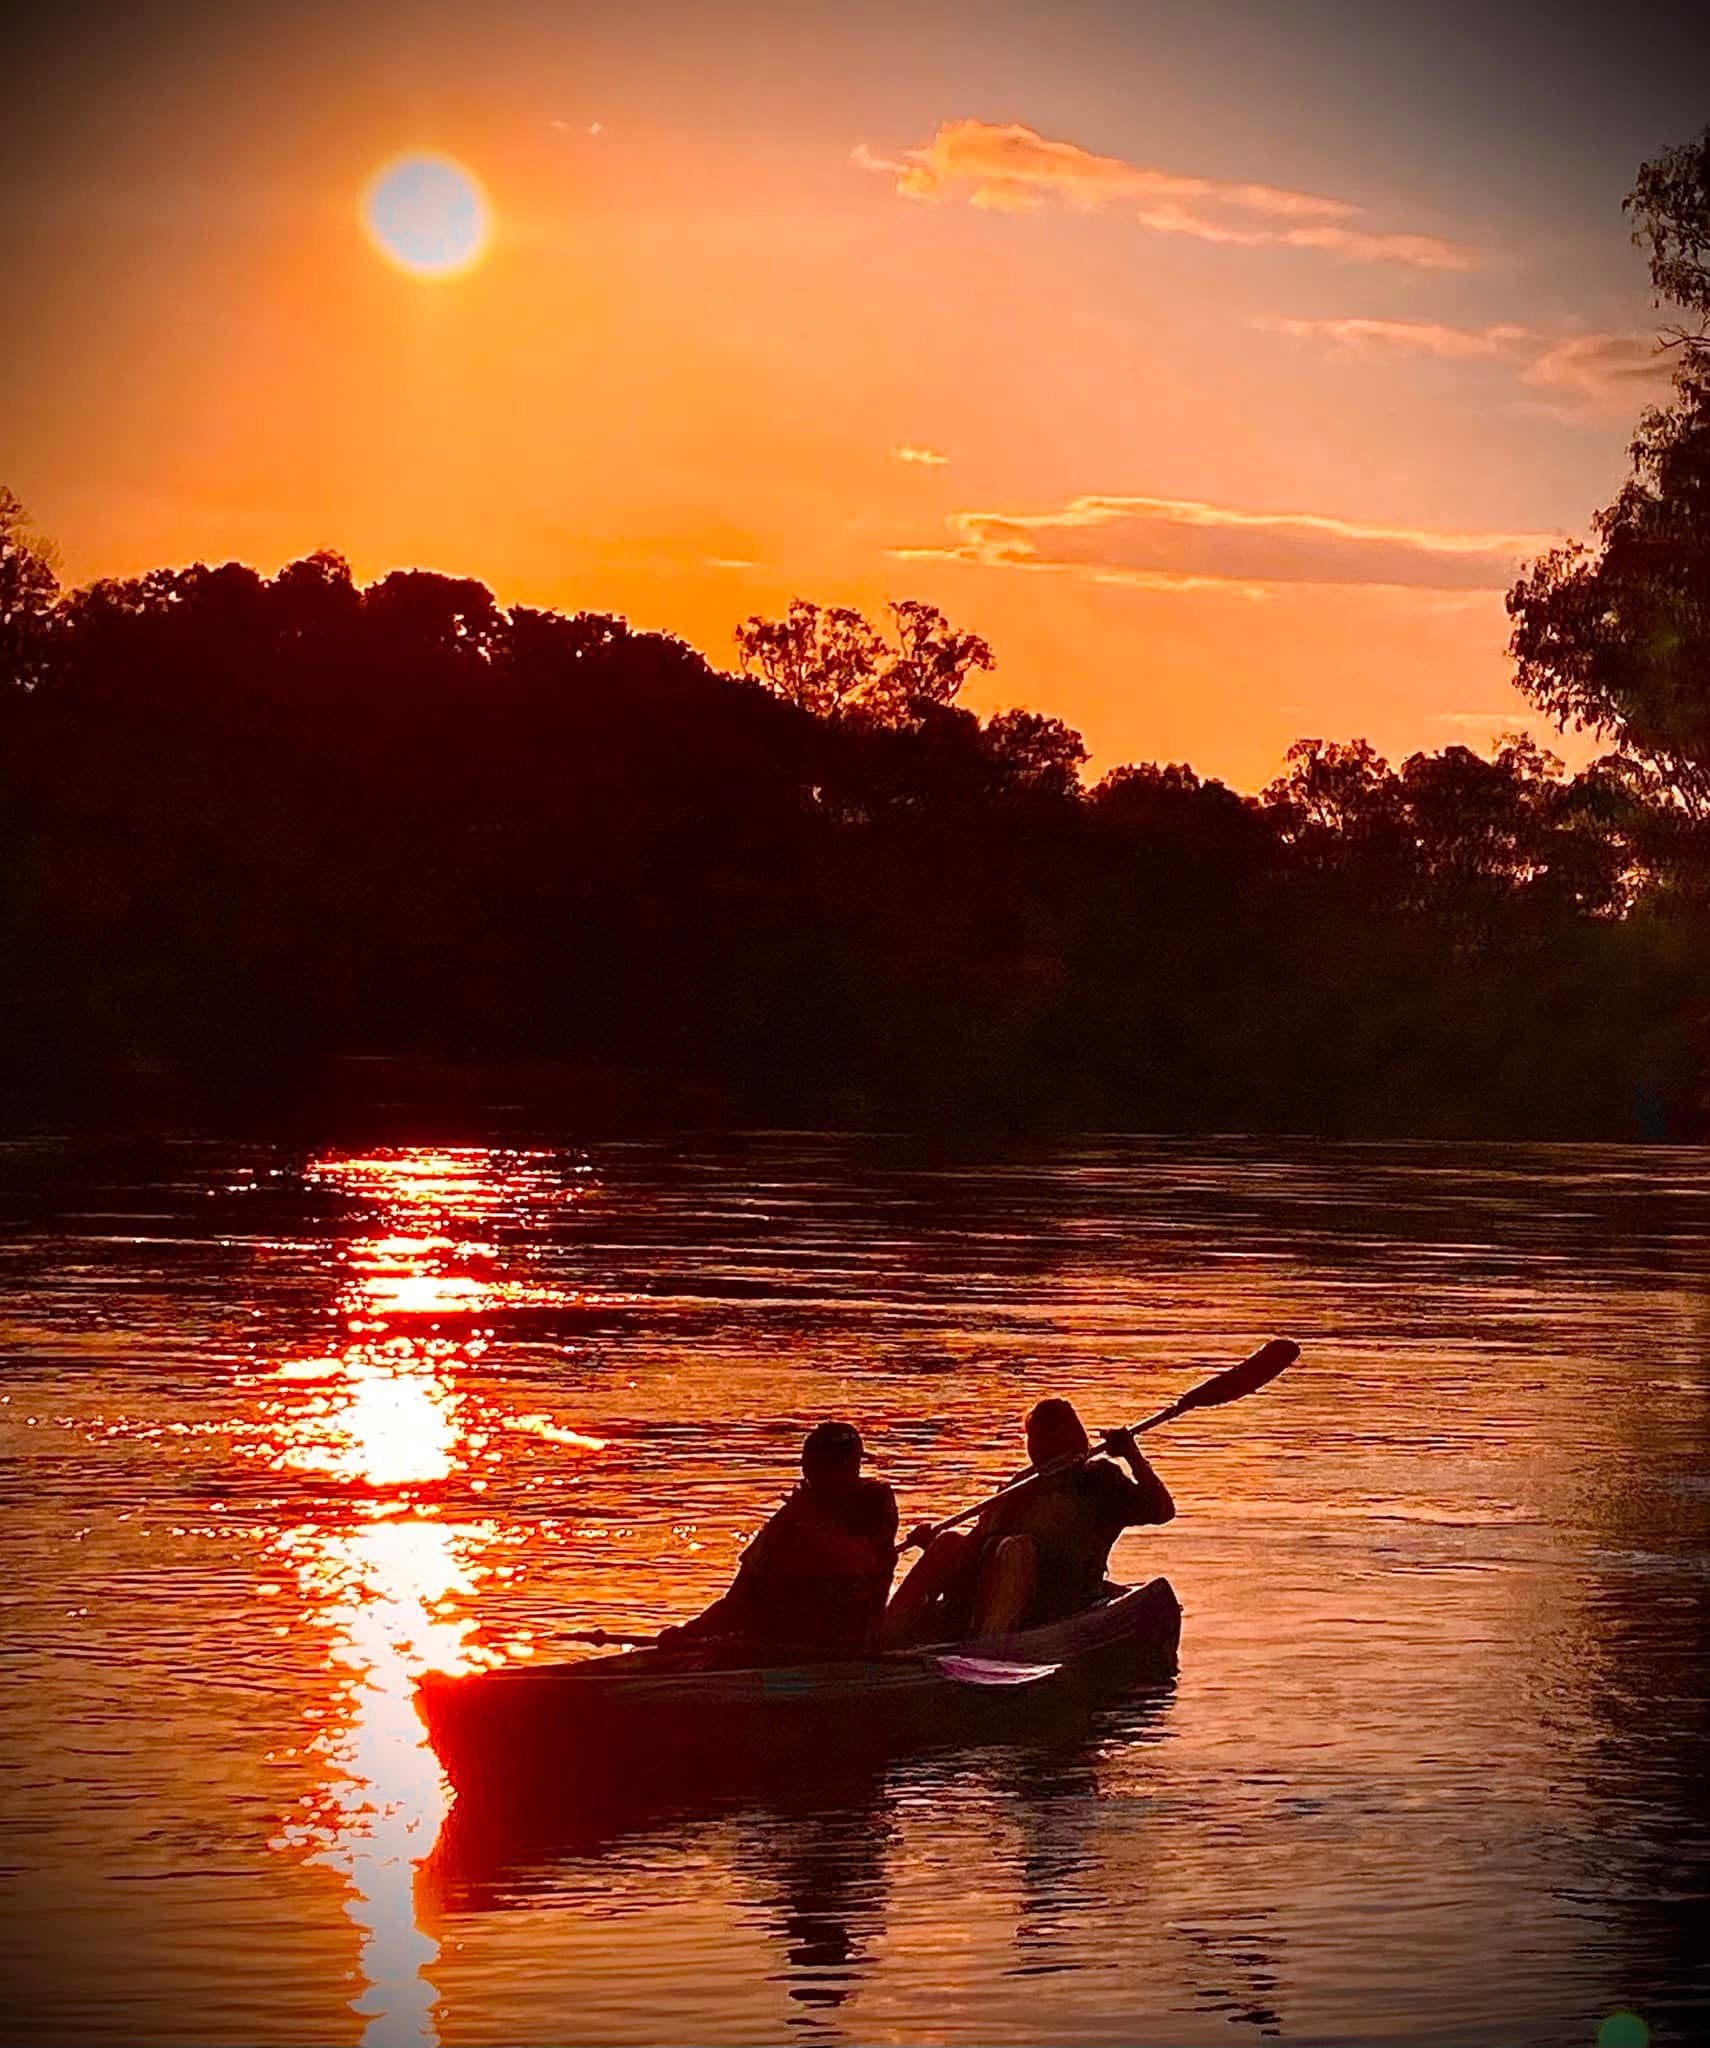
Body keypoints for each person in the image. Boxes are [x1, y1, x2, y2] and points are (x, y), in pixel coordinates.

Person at [881, 1397, 1173, 1647]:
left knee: (1016, 1550)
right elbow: (976, 1544)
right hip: (992, 1590)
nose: (1037, 1444)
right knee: (948, 1543)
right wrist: (931, 1547)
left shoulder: (1100, 1481)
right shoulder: (1021, 1485)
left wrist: (1132, 1454)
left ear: (1069, 1437)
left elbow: (1161, 1510)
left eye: (1047, 1435)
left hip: (1058, 1597)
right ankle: (883, 1636)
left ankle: (987, 1649)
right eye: (1034, 1436)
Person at [663, 1421, 899, 1658]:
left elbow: (862, 1564)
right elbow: (741, 1595)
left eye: (846, 1465)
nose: (843, 1473)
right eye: (829, 1466)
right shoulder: (791, 1518)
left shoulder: (874, 1505)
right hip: (777, 1639)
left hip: (838, 1643)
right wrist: (690, 1632)